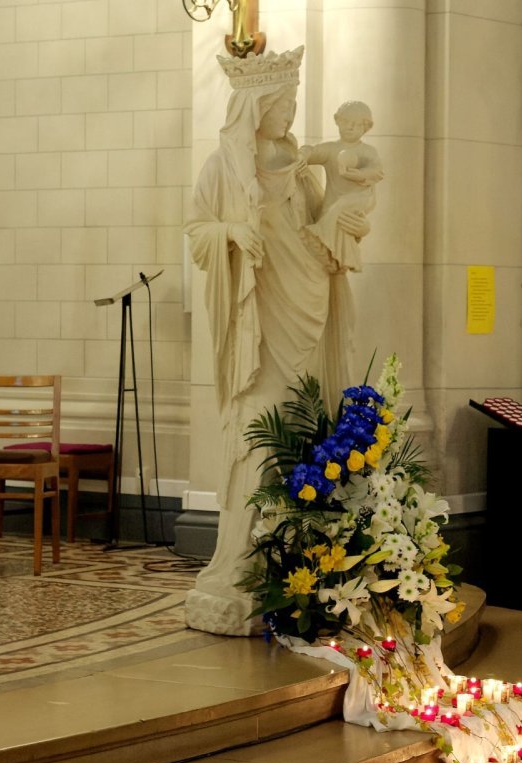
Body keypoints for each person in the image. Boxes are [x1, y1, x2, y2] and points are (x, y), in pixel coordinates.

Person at [183, 47, 367, 635]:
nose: (290, 112)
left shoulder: (302, 168)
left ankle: (303, 563)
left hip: (307, 299)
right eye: (280, 103)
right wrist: (234, 231)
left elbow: (323, 225)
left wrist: (347, 221)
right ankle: (241, 562)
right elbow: (197, 229)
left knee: (306, 420)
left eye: (292, 102)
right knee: (258, 431)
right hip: (258, 317)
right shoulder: (222, 167)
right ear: (253, 108)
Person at [301, 101, 384, 274]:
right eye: (346, 122)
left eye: (357, 124)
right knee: (340, 228)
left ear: (366, 127)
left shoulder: (368, 151)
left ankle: (320, 232)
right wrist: (303, 154)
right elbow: (313, 151)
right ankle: (346, 260)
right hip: (333, 205)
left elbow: (377, 172)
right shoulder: (332, 149)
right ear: (337, 121)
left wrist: (360, 175)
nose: (350, 127)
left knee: (343, 206)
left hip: (361, 198)